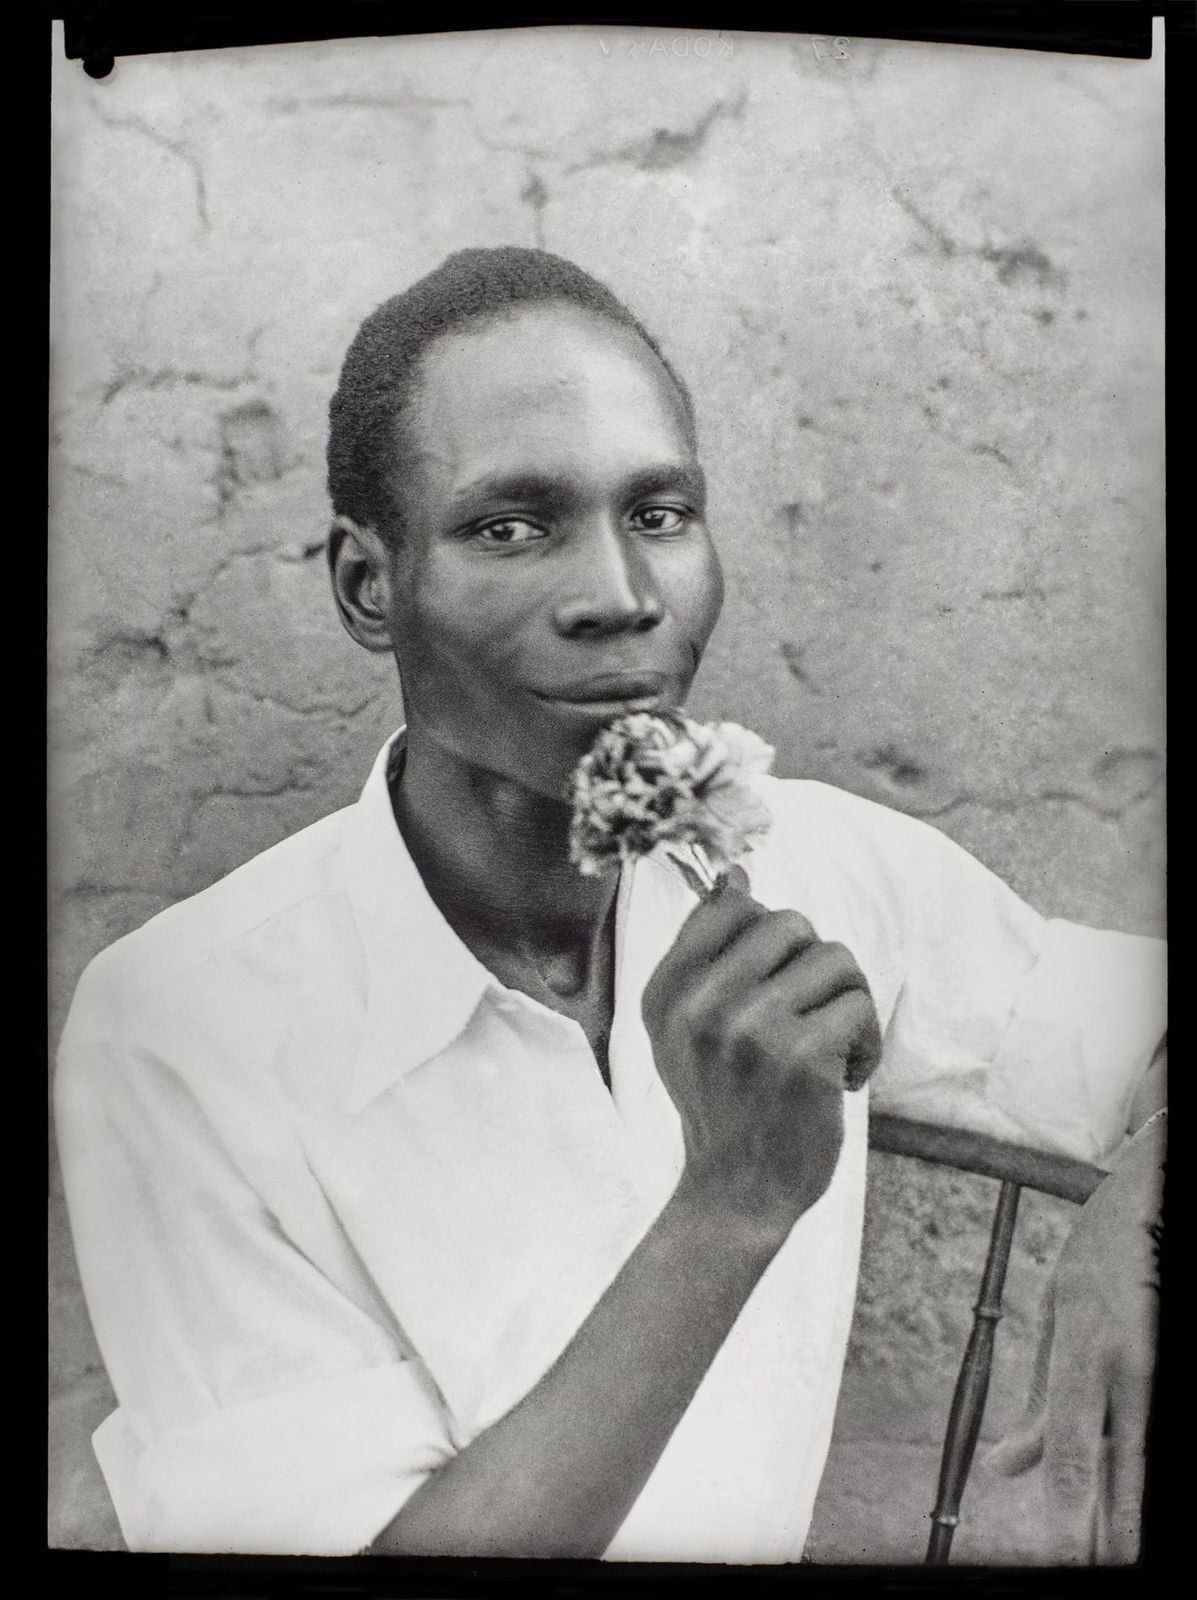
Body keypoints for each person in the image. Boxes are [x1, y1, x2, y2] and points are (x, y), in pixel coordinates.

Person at [55, 247, 1166, 1564]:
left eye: (658, 514)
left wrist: (1132, 1219)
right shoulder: (175, 1034)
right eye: (510, 526)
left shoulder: (824, 868)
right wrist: (732, 1204)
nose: (622, 600)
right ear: (369, 583)